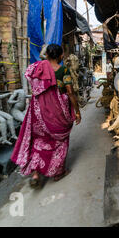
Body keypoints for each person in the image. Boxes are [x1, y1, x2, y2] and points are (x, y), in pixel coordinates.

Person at [11, 44, 81, 188]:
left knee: (39, 142)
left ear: (47, 55)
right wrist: (77, 111)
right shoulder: (63, 70)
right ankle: (58, 172)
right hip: (58, 114)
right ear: (61, 56)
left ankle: (36, 173)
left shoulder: (37, 68)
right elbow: (70, 91)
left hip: (39, 113)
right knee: (59, 142)